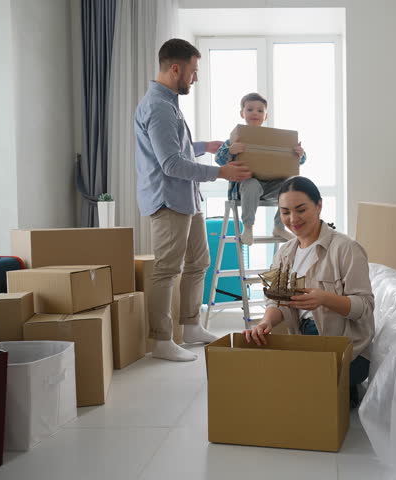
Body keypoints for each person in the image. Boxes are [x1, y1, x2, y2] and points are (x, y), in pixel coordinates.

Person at [135, 38, 251, 362]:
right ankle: (161, 340)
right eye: (193, 71)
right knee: (167, 269)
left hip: (187, 197)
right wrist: (221, 172)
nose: (195, 78)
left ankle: (190, 326)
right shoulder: (158, 107)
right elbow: (171, 164)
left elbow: (176, 148)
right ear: (176, 69)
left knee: (199, 262)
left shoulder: (169, 103)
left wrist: (204, 146)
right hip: (169, 199)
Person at [243, 176, 374, 407]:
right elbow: (276, 302)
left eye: (301, 210)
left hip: (346, 348)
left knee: (297, 392)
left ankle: (340, 386)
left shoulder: (346, 248)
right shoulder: (284, 253)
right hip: (303, 339)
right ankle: (332, 388)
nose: (293, 219)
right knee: (261, 377)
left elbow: (364, 307)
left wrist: (325, 299)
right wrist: (266, 322)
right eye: (285, 212)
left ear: (319, 205)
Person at [214, 92, 306, 245]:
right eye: (250, 109)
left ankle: (279, 226)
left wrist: (300, 154)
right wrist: (230, 150)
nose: (255, 113)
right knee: (251, 184)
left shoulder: (275, 139)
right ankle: (248, 228)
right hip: (245, 188)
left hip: (271, 186)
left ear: (265, 116)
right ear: (242, 113)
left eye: (260, 110)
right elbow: (218, 158)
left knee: (293, 184)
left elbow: (298, 161)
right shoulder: (233, 139)